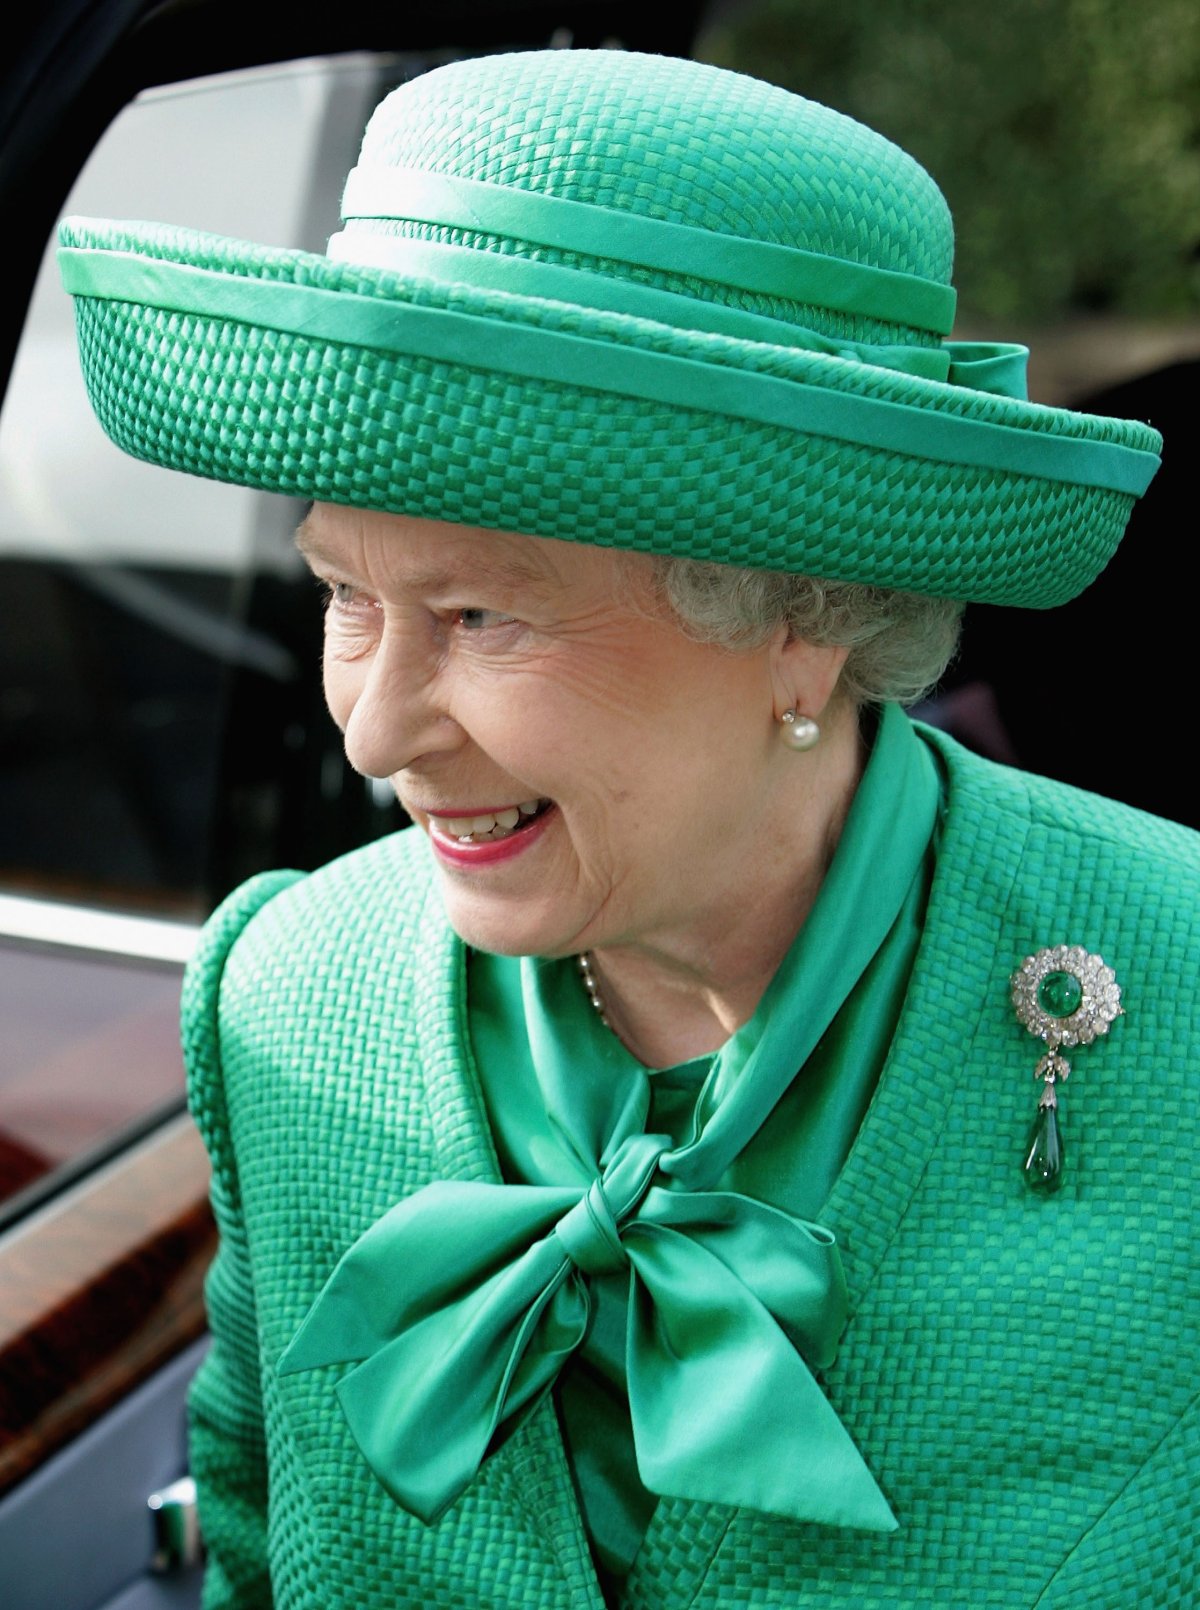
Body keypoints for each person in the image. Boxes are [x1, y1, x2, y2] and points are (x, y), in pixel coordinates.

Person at [58, 47, 1197, 1610]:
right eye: (343, 594)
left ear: (803, 618)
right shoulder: (287, 998)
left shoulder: (1179, 984)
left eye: (481, 614)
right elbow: (253, 1548)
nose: (374, 730)